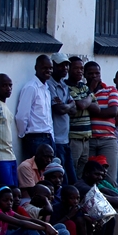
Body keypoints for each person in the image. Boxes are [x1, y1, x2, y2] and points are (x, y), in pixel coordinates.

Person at [84, 61, 118, 184]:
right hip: (89, 139)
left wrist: (91, 108)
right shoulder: (82, 91)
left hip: (108, 139)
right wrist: (90, 92)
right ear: (85, 75)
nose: (94, 76)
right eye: (90, 74)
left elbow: (113, 112)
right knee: (89, 177)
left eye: (97, 73)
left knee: (109, 178)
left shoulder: (110, 90)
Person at [15, 55, 55, 160]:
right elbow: (22, 116)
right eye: (44, 68)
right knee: (35, 171)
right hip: (35, 138)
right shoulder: (31, 87)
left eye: (50, 68)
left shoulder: (46, 88)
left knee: (48, 173)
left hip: (48, 137)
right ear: (36, 68)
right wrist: (23, 135)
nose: (48, 70)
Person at [46, 53, 77, 183]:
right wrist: (68, 105)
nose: (65, 68)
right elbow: (59, 109)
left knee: (72, 178)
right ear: (53, 66)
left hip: (65, 139)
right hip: (56, 140)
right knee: (62, 180)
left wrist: (67, 105)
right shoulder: (49, 84)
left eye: (66, 65)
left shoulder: (64, 85)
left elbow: (74, 110)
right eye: (61, 65)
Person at [0, 74, 20, 187]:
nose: (8, 88)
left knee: (14, 190)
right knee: (6, 189)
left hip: (10, 155)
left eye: (10, 85)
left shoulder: (5, 105)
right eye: (4, 86)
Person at [66, 57, 94, 179]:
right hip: (74, 138)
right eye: (76, 68)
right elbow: (82, 105)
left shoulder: (84, 87)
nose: (79, 71)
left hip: (86, 138)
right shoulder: (66, 87)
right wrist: (90, 97)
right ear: (69, 69)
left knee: (82, 172)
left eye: (81, 68)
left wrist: (86, 100)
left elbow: (96, 108)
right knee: (72, 170)